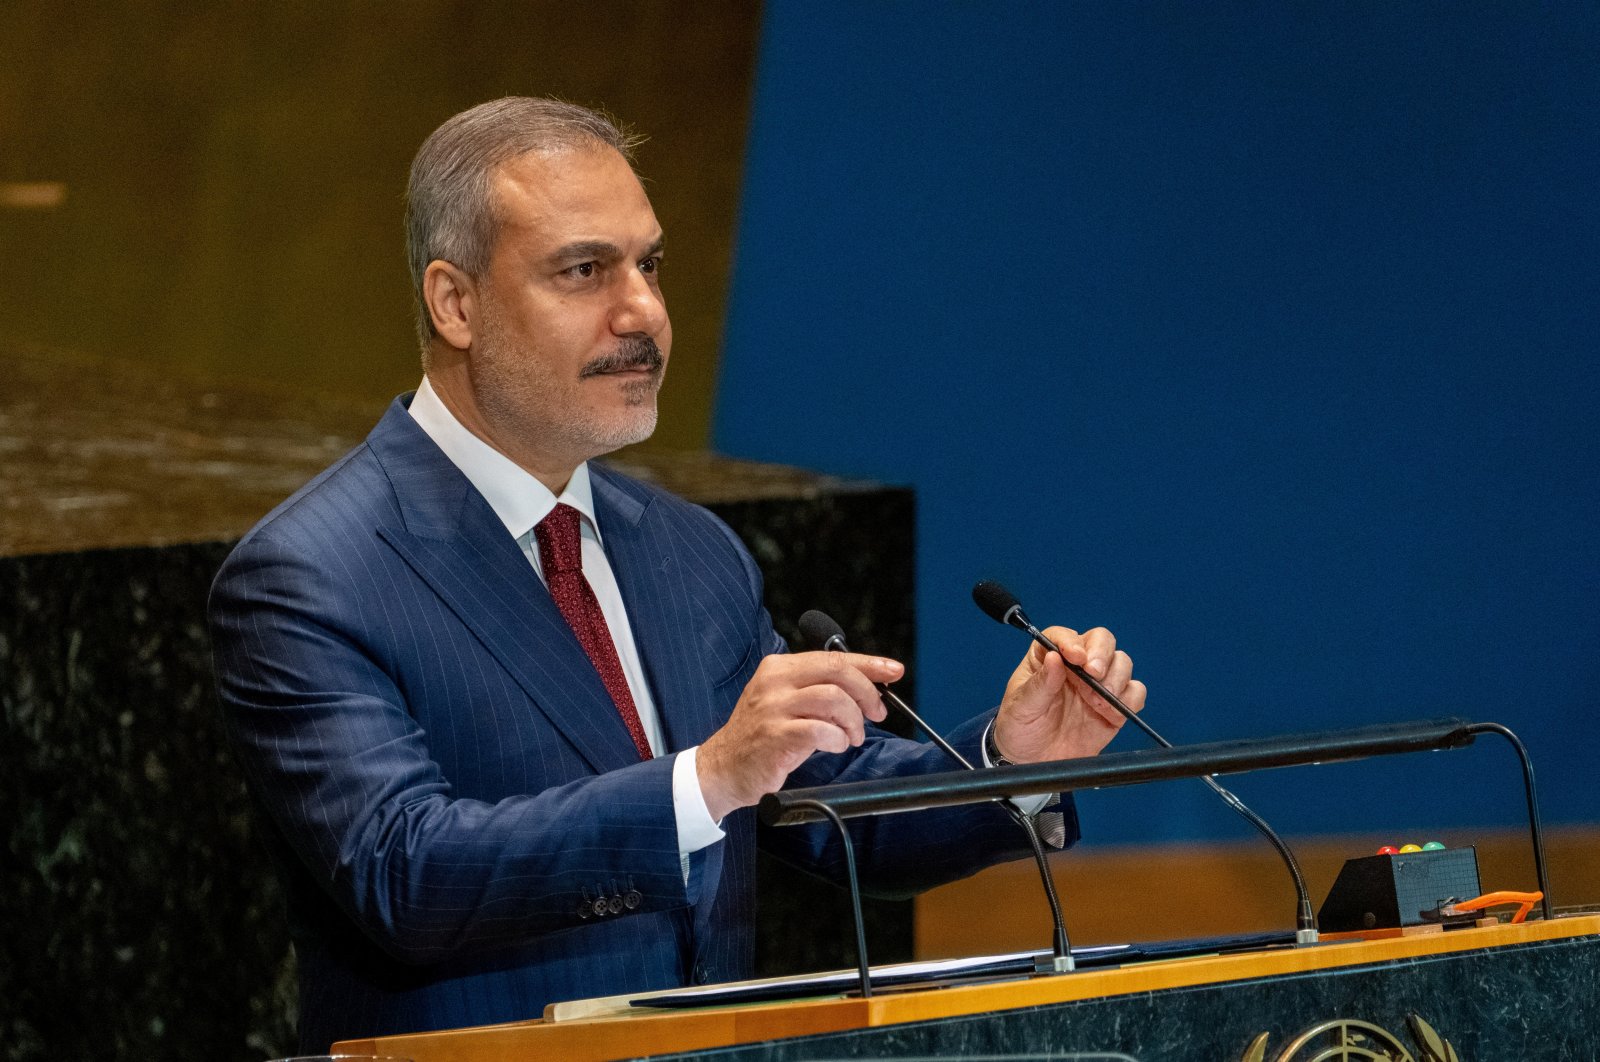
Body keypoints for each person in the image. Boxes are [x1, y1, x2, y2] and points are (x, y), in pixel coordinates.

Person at [208, 97, 1146, 1052]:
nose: (645, 312)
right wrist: (704, 778)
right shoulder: (311, 576)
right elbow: (404, 871)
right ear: (455, 303)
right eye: (584, 271)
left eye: (649, 265)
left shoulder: (685, 548)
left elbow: (830, 811)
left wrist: (1013, 765)